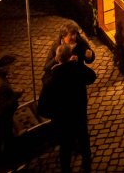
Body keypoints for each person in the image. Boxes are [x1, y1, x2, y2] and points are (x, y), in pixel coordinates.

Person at [39, 45, 97, 173]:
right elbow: (92, 76)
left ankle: (66, 169)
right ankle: (86, 165)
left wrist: (53, 116)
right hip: (78, 114)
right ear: (70, 54)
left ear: (57, 57)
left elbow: (42, 108)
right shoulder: (76, 69)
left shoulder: (50, 79)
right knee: (83, 139)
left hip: (61, 120)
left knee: (65, 146)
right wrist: (78, 65)